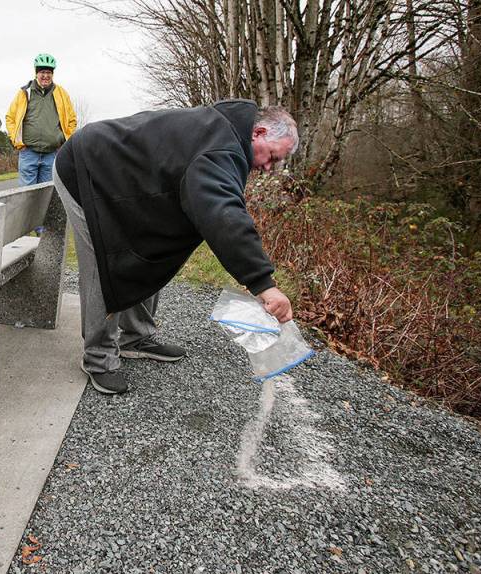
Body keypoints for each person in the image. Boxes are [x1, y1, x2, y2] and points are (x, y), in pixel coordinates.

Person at [52, 100, 298, 395]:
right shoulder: (222, 148)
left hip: (123, 182)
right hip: (87, 168)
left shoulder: (226, 134)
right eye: (271, 156)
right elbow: (223, 215)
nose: (268, 167)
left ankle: (135, 338)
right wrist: (263, 283)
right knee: (103, 262)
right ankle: (98, 358)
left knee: (149, 251)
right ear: (258, 132)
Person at [5, 53, 77, 186]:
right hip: (28, 153)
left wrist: (63, 139)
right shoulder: (24, 93)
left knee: (47, 194)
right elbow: (10, 117)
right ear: (36, 73)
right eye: (42, 72)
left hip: (51, 154)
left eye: (49, 72)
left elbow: (72, 119)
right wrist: (17, 141)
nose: (46, 76)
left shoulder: (61, 93)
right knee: (27, 195)